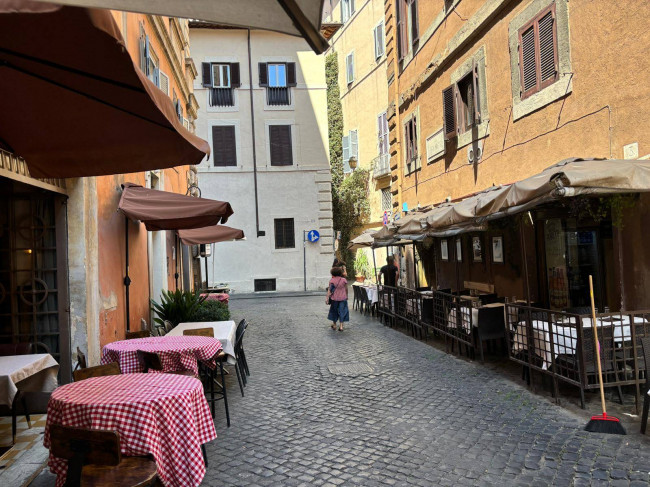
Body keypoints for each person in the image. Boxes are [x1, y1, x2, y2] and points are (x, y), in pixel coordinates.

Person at [326, 266, 349, 331]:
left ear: (332, 273)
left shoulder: (332, 280)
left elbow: (329, 290)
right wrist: (346, 295)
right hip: (343, 298)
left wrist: (327, 298)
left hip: (334, 299)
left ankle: (334, 325)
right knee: (342, 311)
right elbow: (346, 289)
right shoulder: (344, 280)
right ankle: (341, 326)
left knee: (334, 311)